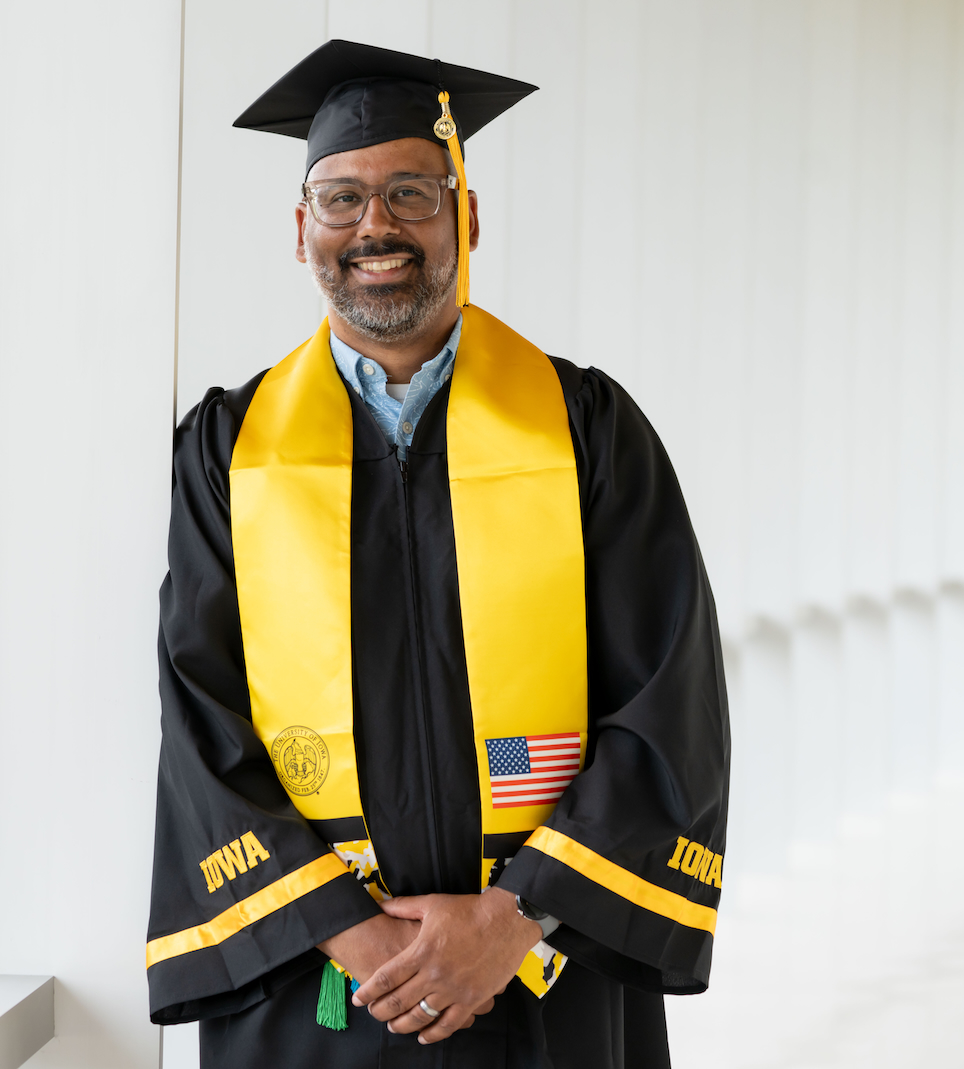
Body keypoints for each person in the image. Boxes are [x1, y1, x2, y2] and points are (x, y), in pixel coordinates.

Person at [146, 39, 730, 1069]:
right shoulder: (230, 450)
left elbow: (666, 700)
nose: (375, 226)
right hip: (317, 993)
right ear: (300, 231)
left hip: (543, 986)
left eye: (412, 192)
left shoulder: (585, 431)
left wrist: (513, 922)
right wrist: (357, 933)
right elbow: (202, 718)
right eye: (341, 199)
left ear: (467, 214)